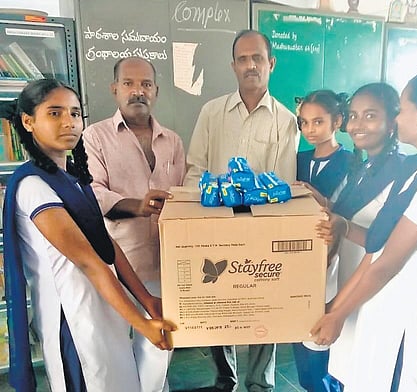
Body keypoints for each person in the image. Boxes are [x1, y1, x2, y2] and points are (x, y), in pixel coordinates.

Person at [2, 79, 175, 392]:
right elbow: (88, 262)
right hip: (74, 319)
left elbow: (105, 244)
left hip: (105, 309)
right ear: (28, 121)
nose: (68, 122)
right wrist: (142, 324)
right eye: (54, 114)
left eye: (75, 113)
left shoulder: (73, 179)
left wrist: (146, 299)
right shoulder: (33, 186)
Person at [312, 67, 417, 391]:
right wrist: (335, 308)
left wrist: (337, 314)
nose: (398, 118)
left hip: (409, 323)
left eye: (402, 109)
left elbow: (386, 264)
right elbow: (375, 251)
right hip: (385, 309)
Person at [182, 30, 298, 392]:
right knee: (220, 301)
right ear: (233, 65)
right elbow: (196, 169)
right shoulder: (212, 112)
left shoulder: (286, 120)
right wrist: (191, 223)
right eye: (243, 59)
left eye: (257, 58)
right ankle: (225, 379)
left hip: (263, 230)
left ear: (271, 64)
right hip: (215, 225)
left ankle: (260, 382)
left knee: (266, 304)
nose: (250, 65)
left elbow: (284, 183)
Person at [83, 56, 185, 392]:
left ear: (155, 90)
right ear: (115, 89)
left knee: (158, 347)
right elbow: (91, 194)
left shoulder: (172, 140)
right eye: (128, 83)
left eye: (145, 84)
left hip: (167, 266)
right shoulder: (93, 137)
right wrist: (137, 207)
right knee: (115, 352)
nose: (137, 91)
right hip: (118, 265)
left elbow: (183, 195)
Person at [313, 83, 407, 388]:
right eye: (353, 116)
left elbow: (388, 244)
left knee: (370, 374)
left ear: (393, 121)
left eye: (370, 116)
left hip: (374, 293)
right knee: (347, 371)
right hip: (348, 284)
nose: (357, 125)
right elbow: (342, 212)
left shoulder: (402, 174)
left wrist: (343, 226)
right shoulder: (362, 168)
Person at [292, 90, 352, 392]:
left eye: (318, 121)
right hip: (295, 261)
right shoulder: (297, 159)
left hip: (331, 261)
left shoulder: (351, 162)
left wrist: (313, 195)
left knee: (322, 351)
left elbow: (344, 214)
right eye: (304, 123)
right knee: (300, 343)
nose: (309, 130)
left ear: (337, 120)